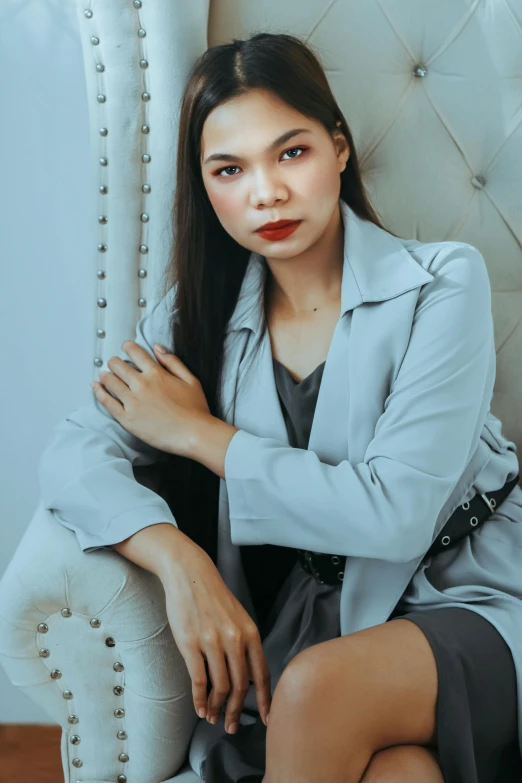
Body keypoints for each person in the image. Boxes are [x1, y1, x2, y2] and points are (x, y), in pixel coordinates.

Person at [38, 31, 522, 783]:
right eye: (229, 169)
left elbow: (394, 513)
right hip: (317, 632)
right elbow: (73, 453)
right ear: (205, 187)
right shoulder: (190, 318)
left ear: (338, 149)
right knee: (401, 775)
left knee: (320, 687)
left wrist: (201, 435)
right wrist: (178, 560)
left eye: (290, 152)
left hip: (467, 590)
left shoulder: (440, 284)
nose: (265, 192)